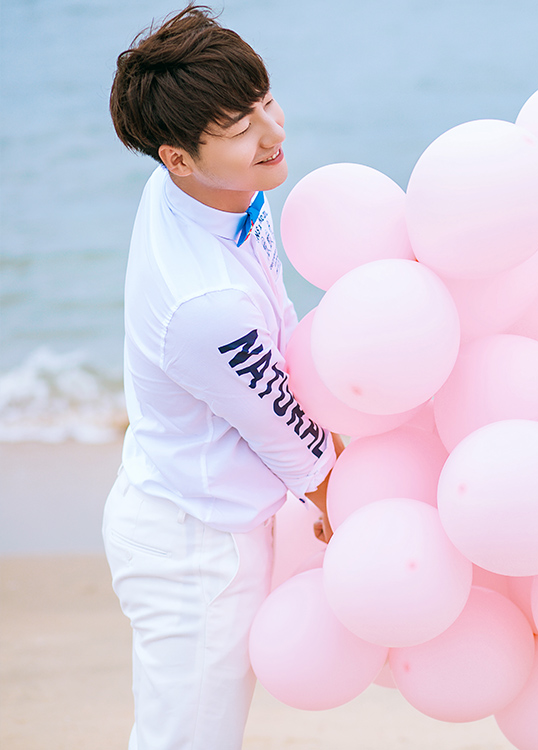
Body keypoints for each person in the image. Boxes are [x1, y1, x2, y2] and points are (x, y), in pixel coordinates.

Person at [103, 6, 340, 748]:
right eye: (240, 127)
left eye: (265, 100)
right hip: (196, 549)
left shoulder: (203, 190)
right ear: (177, 156)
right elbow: (290, 438)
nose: (272, 133)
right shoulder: (204, 304)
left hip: (194, 499)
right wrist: (348, 502)